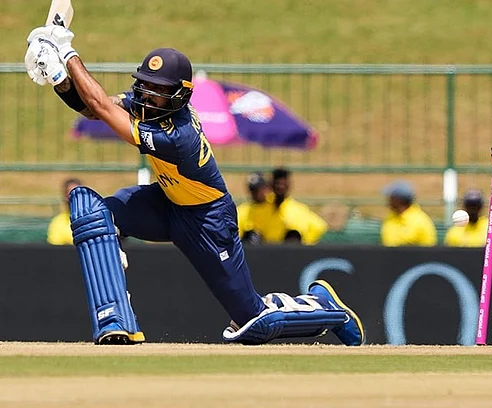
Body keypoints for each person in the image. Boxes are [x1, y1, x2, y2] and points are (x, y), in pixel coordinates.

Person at [24, 25, 364, 346]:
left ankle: (325, 307)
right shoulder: (148, 105)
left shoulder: (176, 136)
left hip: (206, 220)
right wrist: (57, 78)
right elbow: (92, 110)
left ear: (178, 97)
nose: (146, 97)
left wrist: (67, 51)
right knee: (90, 208)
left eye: (157, 92)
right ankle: (115, 321)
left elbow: (99, 104)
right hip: (165, 202)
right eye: (144, 86)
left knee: (252, 322)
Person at [270, 168, 328, 245]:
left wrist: (304, 244)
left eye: (283, 184)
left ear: (288, 185)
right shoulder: (264, 206)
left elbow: (320, 226)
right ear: (272, 184)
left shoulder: (298, 209)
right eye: (277, 183)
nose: (280, 187)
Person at [380, 180, 437, 247]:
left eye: (391, 198)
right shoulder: (389, 219)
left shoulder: (421, 222)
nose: (388, 201)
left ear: (398, 200)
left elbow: (429, 251)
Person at [236, 172, 283, 245]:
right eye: (253, 190)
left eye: (259, 189)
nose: (256, 193)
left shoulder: (276, 207)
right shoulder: (243, 211)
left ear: (267, 188)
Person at [47, 178, 82, 245]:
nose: (74, 199)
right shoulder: (58, 222)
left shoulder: (94, 219)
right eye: (70, 195)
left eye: (77, 194)